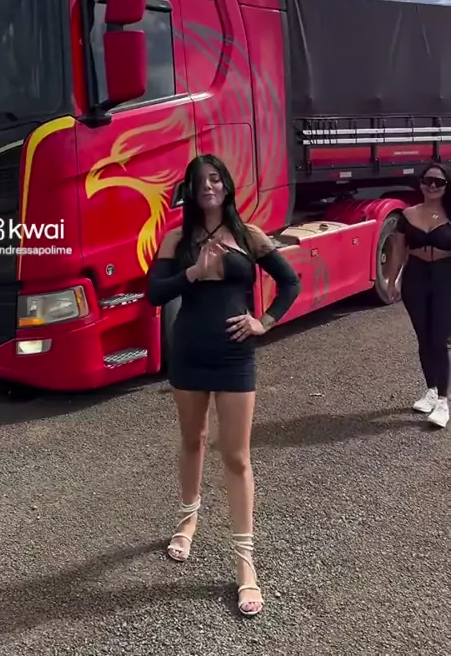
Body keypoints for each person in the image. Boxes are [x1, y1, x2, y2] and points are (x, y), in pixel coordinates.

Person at [146, 154, 301, 617]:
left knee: (236, 457)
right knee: (192, 440)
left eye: (215, 179)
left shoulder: (249, 235)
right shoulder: (177, 239)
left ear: (227, 185)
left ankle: (244, 562)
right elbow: (154, 293)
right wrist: (192, 273)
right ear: (190, 191)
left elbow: (290, 283)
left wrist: (263, 322)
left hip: (235, 357)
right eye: (199, 181)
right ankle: (188, 520)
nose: (208, 186)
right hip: (190, 352)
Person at [388, 162, 451, 429]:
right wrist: (392, 281)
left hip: (445, 278)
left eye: (439, 182)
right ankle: (431, 390)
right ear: (421, 183)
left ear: (447, 186)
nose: (432, 186)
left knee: (439, 338)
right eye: (428, 180)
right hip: (415, 278)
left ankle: (444, 402)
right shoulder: (408, 214)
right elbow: (398, 251)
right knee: (423, 337)